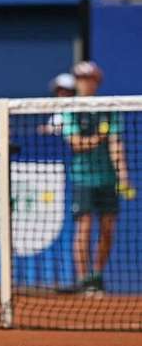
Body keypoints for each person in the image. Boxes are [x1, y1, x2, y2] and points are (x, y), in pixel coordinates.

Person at [61, 62, 135, 294]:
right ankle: (84, 280)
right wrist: (98, 139)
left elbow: (115, 143)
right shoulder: (71, 109)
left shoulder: (108, 108)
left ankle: (97, 277)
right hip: (83, 179)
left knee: (107, 229)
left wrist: (122, 176)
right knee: (83, 227)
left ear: (97, 80)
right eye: (80, 77)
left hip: (107, 180)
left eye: (89, 77)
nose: (84, 81)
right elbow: (75, 143)